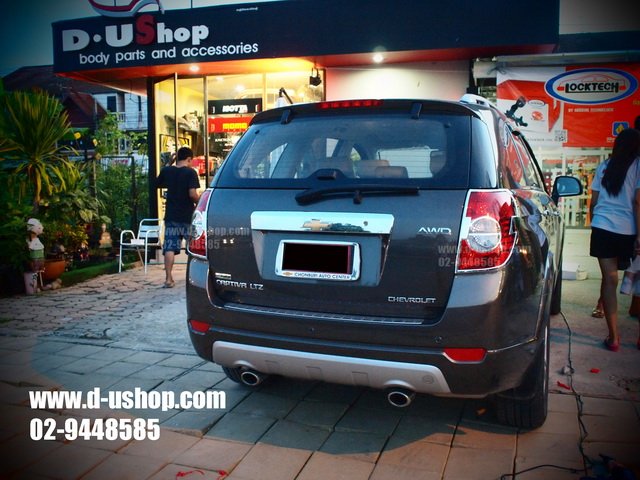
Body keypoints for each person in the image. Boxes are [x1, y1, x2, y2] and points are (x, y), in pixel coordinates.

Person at [589, 128, 640, 351]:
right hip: (628, 230)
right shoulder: (638, 166)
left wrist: (595, 223)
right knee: (637, 281)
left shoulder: (604, 166)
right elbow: (638, 202)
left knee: (609, 280)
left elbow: (593, 201)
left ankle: (614, 338)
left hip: (602, 227)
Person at [155, 146, 200, 288]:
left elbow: (157, 183)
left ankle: (168, 279)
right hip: (187, 217)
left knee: (169, 247)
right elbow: (192, 194)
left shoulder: (167, 171)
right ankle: (194, 279)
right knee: (194, 248)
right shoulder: (190, 173)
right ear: (189, 159)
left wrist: (170, 162)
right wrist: (200, 203)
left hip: (171, 216)